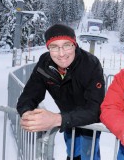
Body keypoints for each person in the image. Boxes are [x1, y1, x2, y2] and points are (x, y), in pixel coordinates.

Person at [16, 24, 105, 160]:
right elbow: (30, 94)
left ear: (74, 44)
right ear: (48, 48)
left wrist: (57, 119)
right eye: (54, 47)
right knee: (72, 152)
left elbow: (95, 109)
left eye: (67, 45)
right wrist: (26, 112)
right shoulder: (45, 64)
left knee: (89, 154)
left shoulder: (91, 64)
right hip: (67, 119)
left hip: (89, 121)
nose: (62, 53)